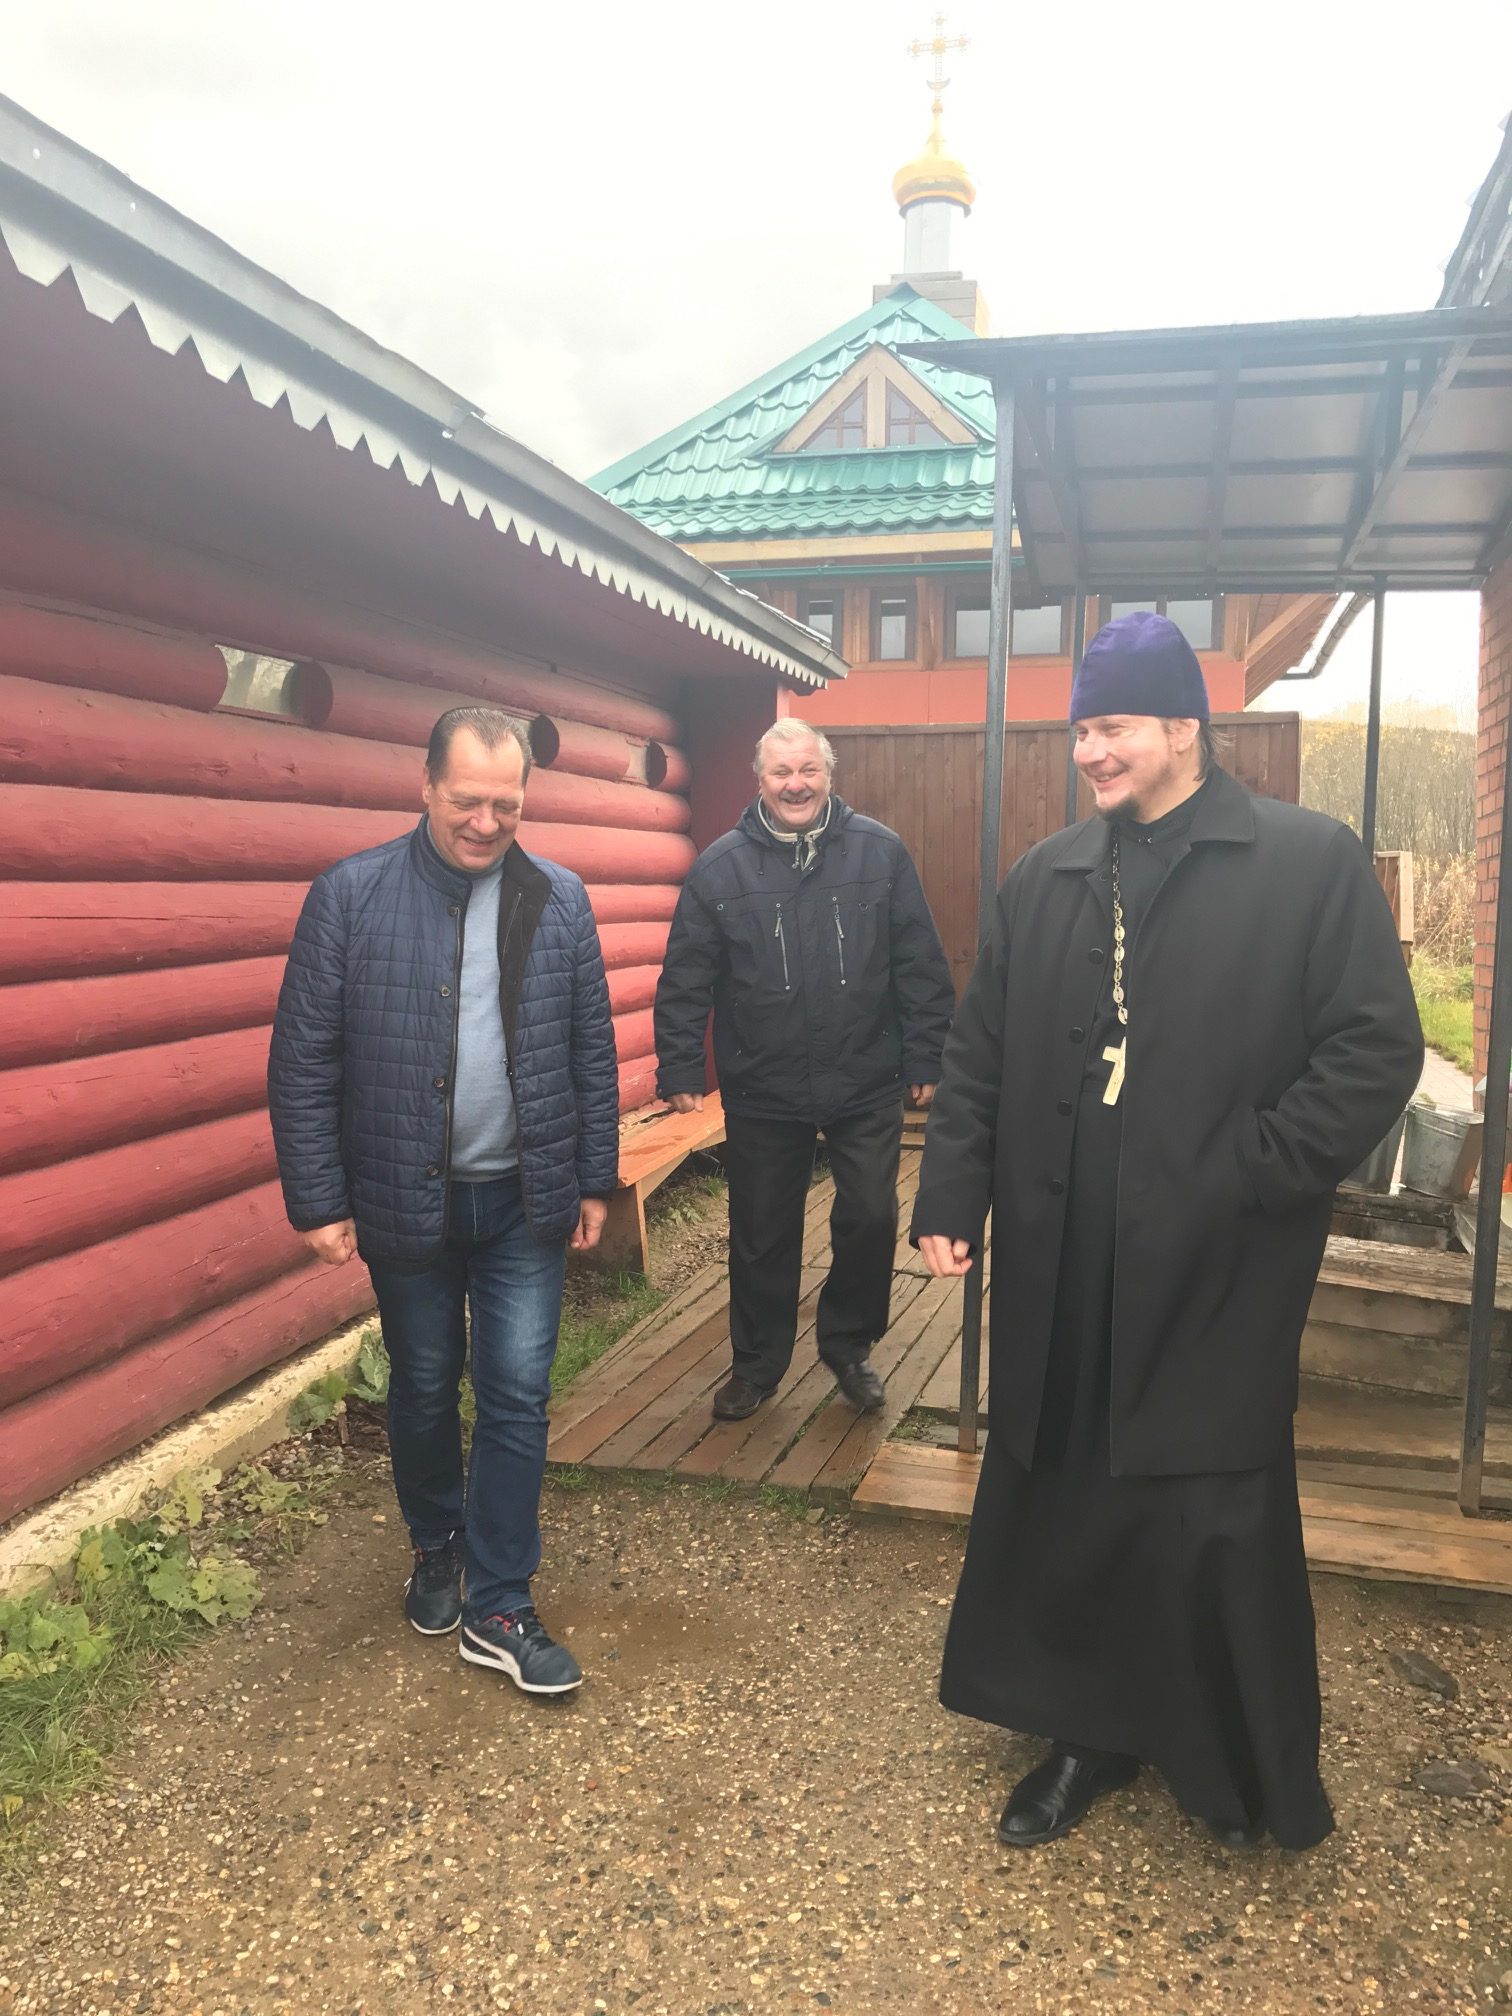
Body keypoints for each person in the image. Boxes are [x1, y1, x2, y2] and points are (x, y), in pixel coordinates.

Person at [913, 612, 1424, 1852]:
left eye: (1114, 728)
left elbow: (1376, 1048)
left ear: (1185, 728)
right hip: (1064, 1248)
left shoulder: (1304, 863)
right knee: (1074, 1484)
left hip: (1217, 1258)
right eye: (1081, 730)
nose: (1090, 752)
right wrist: (952, 1193)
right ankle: (1086, 1733)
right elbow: (979, 1054)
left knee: (1206, 1499)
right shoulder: (1048, 876)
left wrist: (1256, 1168)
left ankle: (1226, 1752)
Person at [269, 706, 618, 1696]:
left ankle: (498, 1601)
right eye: (467, 800)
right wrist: (317, 1198)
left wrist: (595, 1176)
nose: (485, 822)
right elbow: (304, 1059)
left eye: (506, 804)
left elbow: (591, 1050)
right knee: (424, 1384)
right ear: (425, 785)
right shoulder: (350, 897)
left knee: (516, 1390)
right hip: (401, 1196)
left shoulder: (560, 899)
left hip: (521, 1199)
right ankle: (436, 1543)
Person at [655, 718, 954, 1421]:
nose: (796, 785)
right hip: (764, 1081)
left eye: (808, 771)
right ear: (760, 780)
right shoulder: (720, 868)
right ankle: (757, 1365)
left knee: (871, 1215)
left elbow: (919, 962)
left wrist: (925, 1054)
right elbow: (686, 976)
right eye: (781, 772)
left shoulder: (880, 853)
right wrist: (680, 1068)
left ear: (828, 774)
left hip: (865, 1073)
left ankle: (849, 1345)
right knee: (762, 1231)